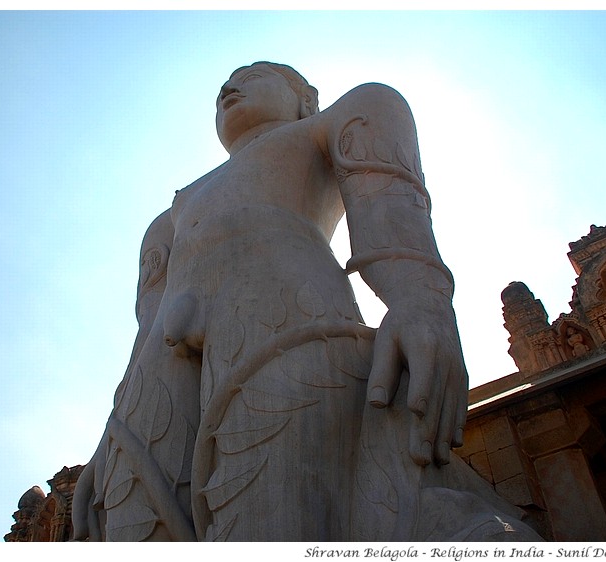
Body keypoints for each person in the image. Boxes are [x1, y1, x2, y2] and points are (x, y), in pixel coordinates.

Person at [72, 62, 540, 541]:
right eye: (222, 88)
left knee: (271, 521)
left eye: (253, 76)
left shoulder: (331, 123)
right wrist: (110, 438)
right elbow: (146, 325)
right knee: (135, 527)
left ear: (306, 98)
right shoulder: (168, 217)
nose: (230, 89)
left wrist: (421, 301)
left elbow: (388, 211)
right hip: (159, 382)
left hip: (282, 327)